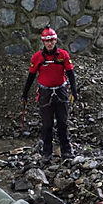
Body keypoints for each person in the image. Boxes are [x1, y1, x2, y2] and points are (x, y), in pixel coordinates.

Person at [21, 26, 79, 163]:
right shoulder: (37, 57)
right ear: (43, 42)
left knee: (63, 123)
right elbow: (31, 76)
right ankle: (47, 153)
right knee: (46, 124)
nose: (50, 43)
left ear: (55, 40)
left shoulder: (63, 55)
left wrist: (74, 92)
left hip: (61, 91)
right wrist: (24, 94)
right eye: (47, 41)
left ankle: (66, 151)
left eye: (52, 40)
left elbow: (71, 74)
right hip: (45, 92)